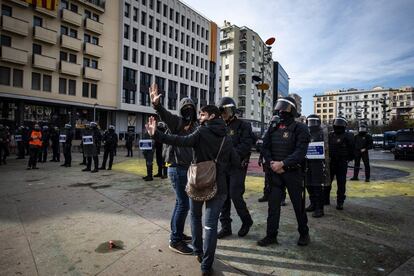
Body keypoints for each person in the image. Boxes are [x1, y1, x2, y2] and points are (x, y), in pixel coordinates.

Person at [146, 105, 238, 275]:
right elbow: (236, 162)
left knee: (195, 217)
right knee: (210, 226)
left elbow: (180, 141)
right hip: (220, 186)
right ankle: (206, 267)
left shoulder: (201, 132)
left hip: (197, 183)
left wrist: (156, 135)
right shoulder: (227, 136)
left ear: (211, 116)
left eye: (202, 114)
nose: (200, 117)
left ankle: (198, 251)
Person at [258, 96, 310, 247]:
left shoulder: (301, 128)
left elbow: (300, 152)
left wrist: (283, 164)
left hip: (293, 173)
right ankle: (271, 235)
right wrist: (272, 163)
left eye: (284, 108)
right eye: (279, 108)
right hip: (275, 173)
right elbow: (264, 146)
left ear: (292, 110)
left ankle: (304, 233)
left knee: (298, 206)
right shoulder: (273, 126)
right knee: (273, 207)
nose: (281, 111)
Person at [150, 83, 196, 255]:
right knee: (184, 204)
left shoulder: (194, 126)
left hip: (188, 169)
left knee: (180, 203)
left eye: (191, 107)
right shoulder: (176, 121)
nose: (189, 110)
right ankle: (175, 240)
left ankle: (177, 234)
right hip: (176, 169)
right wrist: (156, 105)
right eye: (185, 107)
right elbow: (164, 114)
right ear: (181, 109)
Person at [217, 97, 254, 239]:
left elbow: (246, 145)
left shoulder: (243, 125)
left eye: (225, 110)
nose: (223, 113)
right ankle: (226, 227)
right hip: (222, 167)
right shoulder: (219, 126)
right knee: (222, 198)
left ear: (232, 110)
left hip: (237, 166)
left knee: (235, 194)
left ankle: (246, 220)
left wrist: (229, 154)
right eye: (221, 110)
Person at [324, 117, 354, 210]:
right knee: (327, 182)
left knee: (341, 183)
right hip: (331, 162)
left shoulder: (348, 135)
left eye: (340, 124)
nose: (338, 125)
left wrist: (348, 159)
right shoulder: (330, 135)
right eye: (337, 123)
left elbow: (352, 149)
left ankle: (340, 202)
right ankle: (325, 199)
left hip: (342, 162)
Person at [305, 114, 328, 218]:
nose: (312, 124)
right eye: (310, 122)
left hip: (318, 162)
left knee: (317, 185)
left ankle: (319, 208)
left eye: (314, 122)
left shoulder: (323, 133)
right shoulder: (306, 133)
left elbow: (326, 147)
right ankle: (313, 204)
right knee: (308, 184)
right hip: (307, 161)